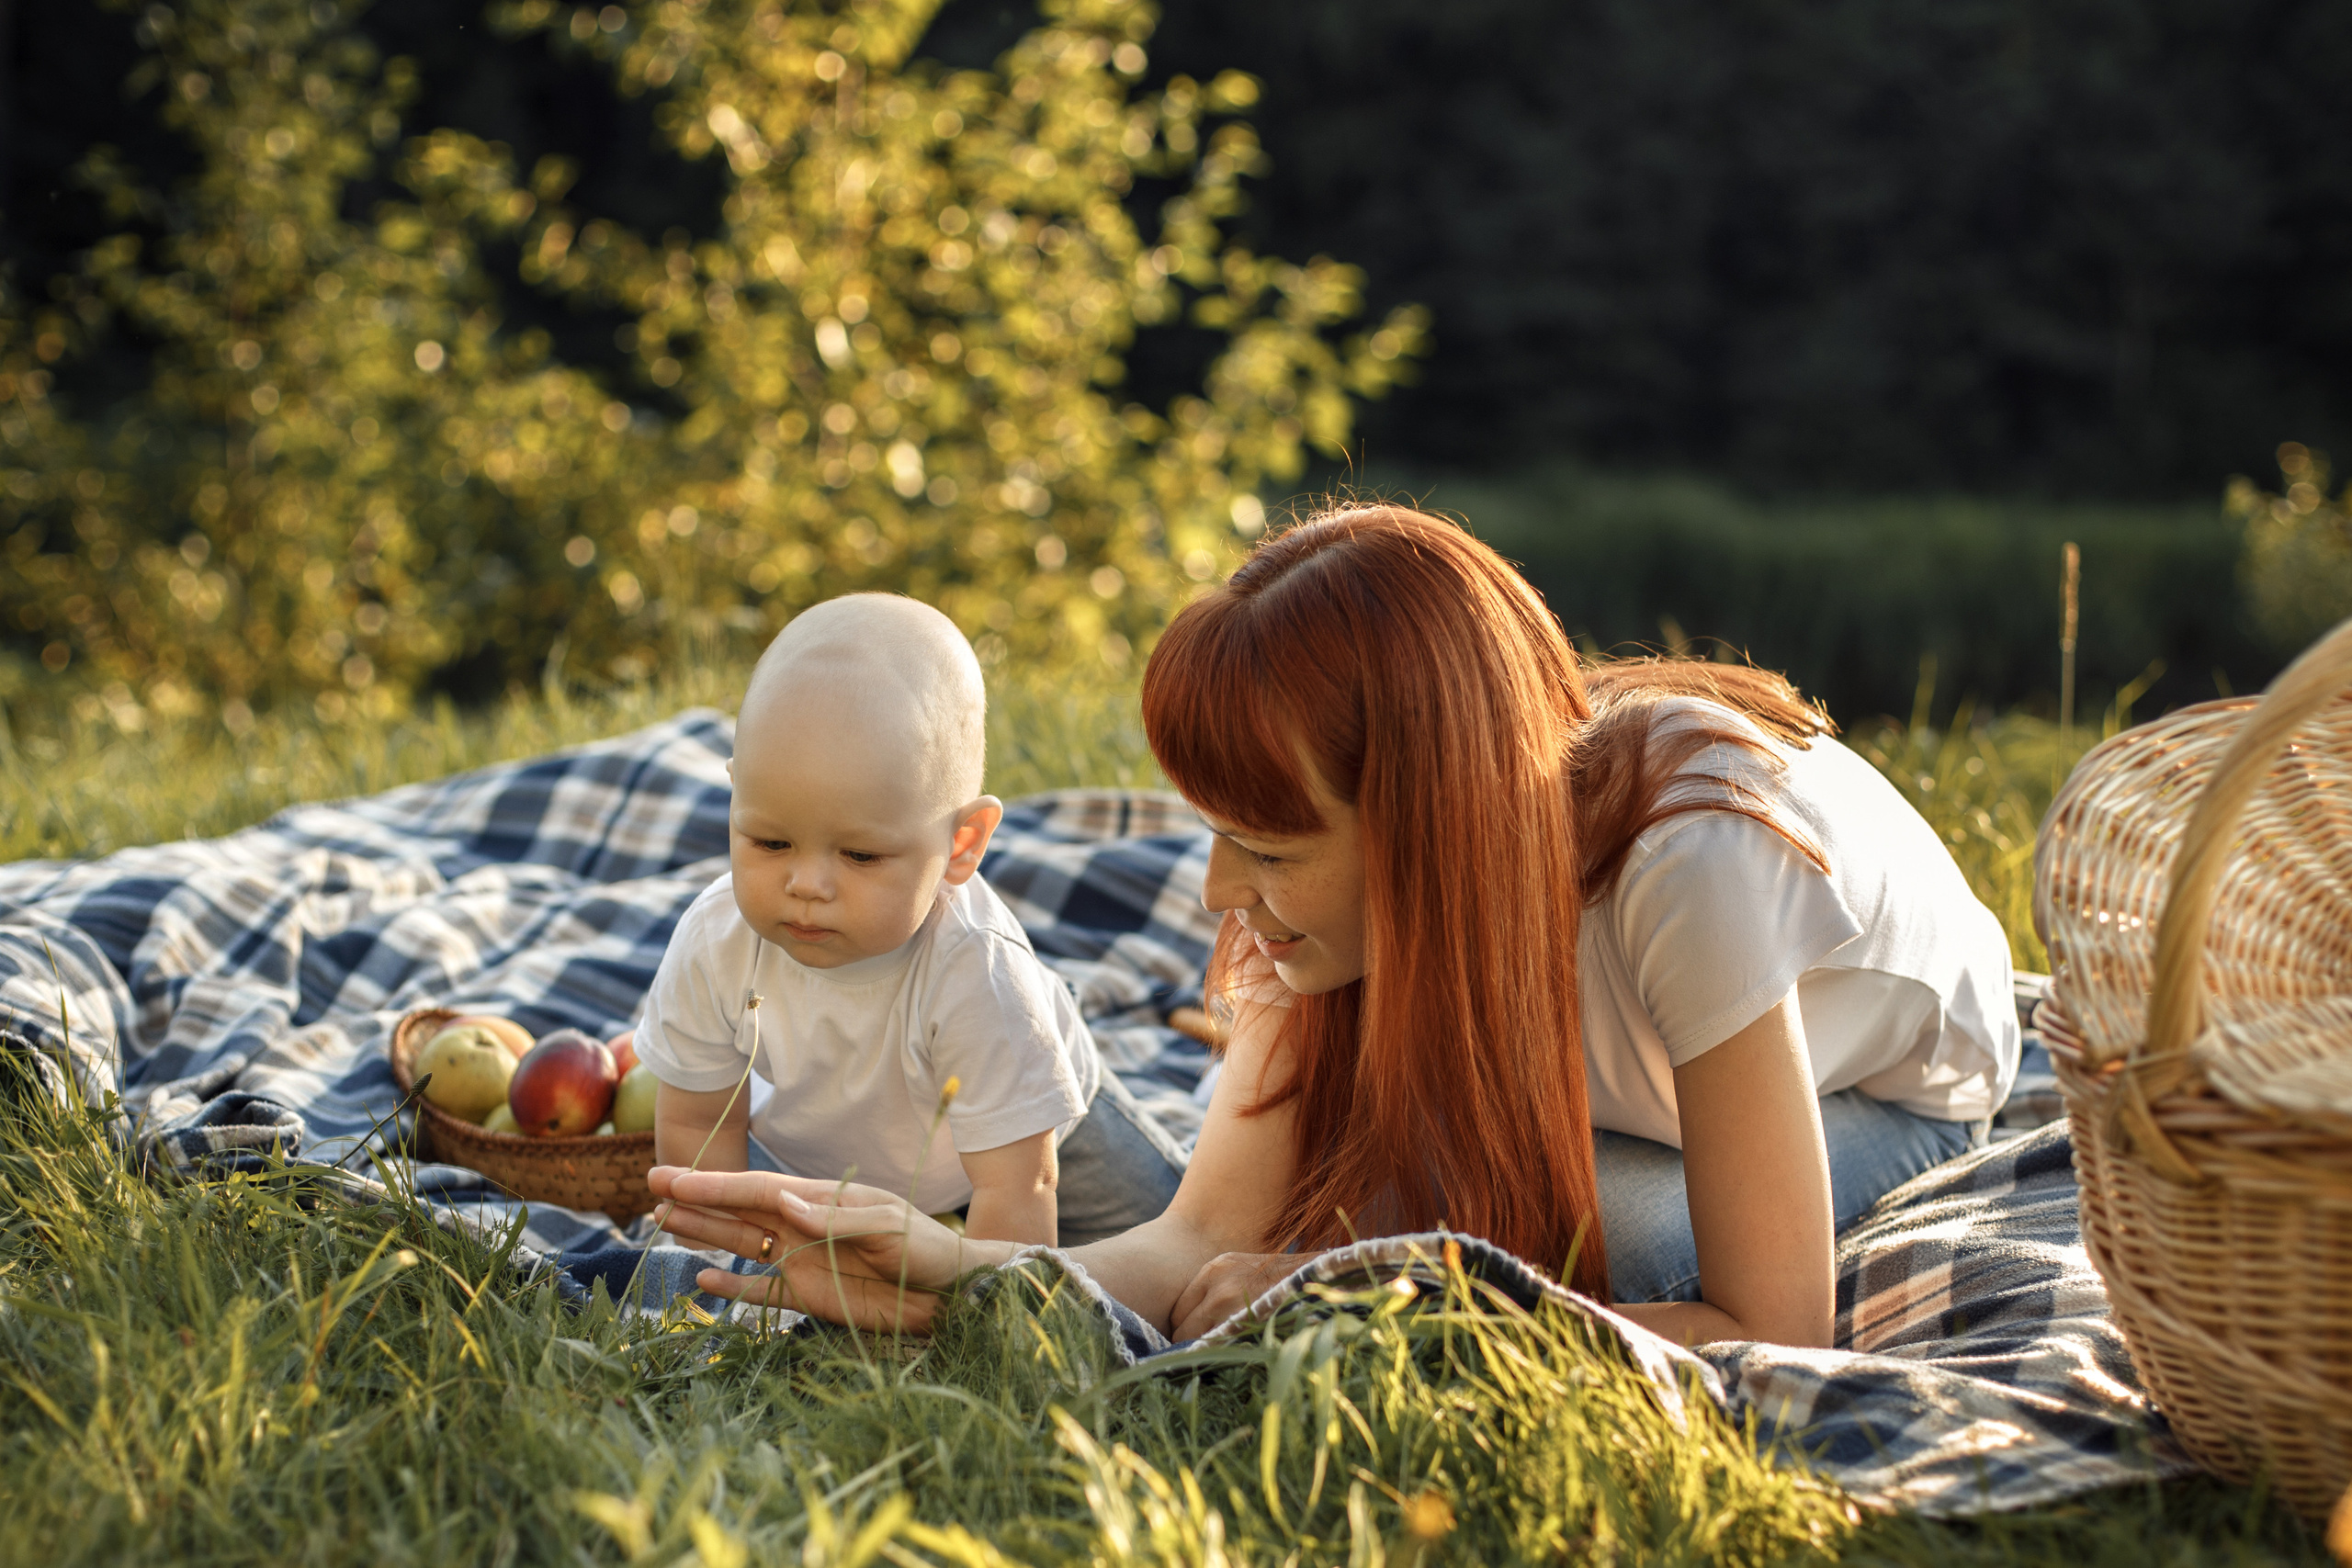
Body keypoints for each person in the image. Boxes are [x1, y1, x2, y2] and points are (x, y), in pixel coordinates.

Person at [647, 508, 2018, 1348]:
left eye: (1266, 847)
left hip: (1883, 1087)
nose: (1216, 893)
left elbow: (1773, 1328)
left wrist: (1375, 1298)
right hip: (1611, 1062)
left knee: (1590, 1242)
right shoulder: (1349, 915)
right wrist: (953, 1275)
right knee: (1370, 1211)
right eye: (1218, 833)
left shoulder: (1692, 869)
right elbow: (1193, 1247)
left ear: (1423, 824)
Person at [636, 592, 1186, 1248]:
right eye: (771, 842)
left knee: (1171, 1234)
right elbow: (699, 1129)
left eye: (860, 855)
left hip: (1034, 1136)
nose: (806, 885)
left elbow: (1021, 1189)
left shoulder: (977, 969)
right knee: (780, 1253)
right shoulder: (714, 938)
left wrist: (973, 1293)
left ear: (962, 844)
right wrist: (709, 1274)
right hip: (807, 1153)